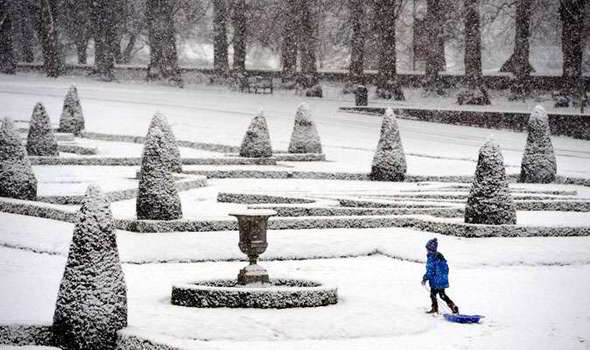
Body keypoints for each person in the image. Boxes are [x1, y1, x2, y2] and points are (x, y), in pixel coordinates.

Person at [421, 238, 459, 314]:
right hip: (443, 280)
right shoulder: (440, 256)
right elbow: (447, 268)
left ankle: (434, 308)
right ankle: (452, 306)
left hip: (435, 281)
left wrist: (424, 278)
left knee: (433, 295)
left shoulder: (431, 258)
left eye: (427, 249)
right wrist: (443, 276)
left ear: (430, 249)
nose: (427, 250)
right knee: (442, 295)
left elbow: (430, 271)